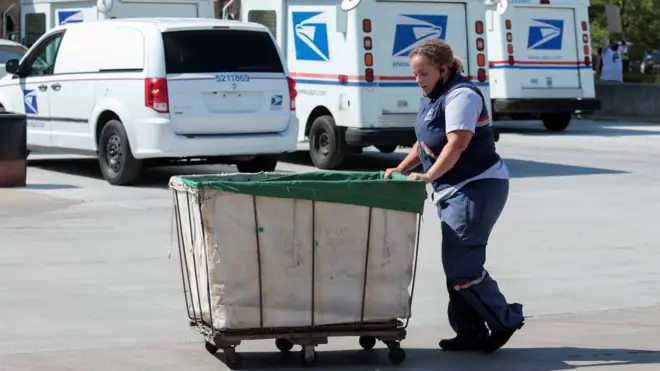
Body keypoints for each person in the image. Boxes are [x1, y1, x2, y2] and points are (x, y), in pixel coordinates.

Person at [384, 39, 524, 353]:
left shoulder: (461, 95)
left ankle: (505, 318)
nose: (418, 80)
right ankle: (470, 333)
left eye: (423, 74)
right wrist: (402, 168)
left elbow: (457, 143)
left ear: (444, 69)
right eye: (415, 74)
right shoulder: (433, 95)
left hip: (477, 186)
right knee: (455, 264)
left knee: (463, 267)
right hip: (453, 190)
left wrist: (430, 175)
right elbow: (425, 142)